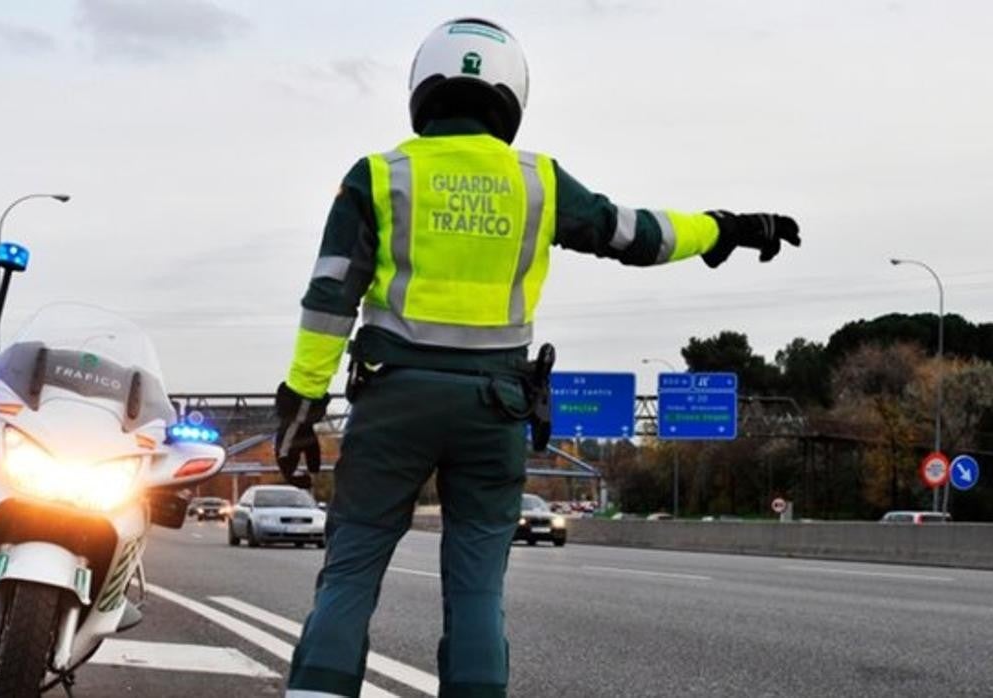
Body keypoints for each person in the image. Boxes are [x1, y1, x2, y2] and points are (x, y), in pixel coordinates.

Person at [274, 17, 800, 698]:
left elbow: (329, 297)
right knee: (476, 588)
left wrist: (302, 400)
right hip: (494, 409)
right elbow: (634, 233)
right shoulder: (538, 183)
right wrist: (722, 228)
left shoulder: (379, 176)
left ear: (422, 88)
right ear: (511, 95)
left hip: (393, 401)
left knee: (351, 570)